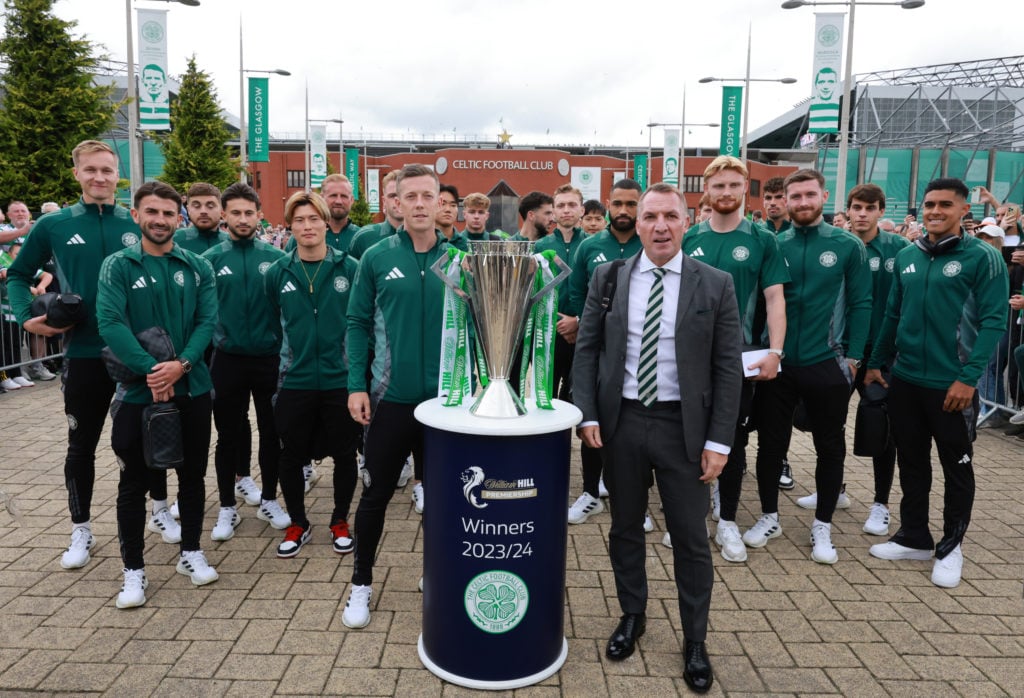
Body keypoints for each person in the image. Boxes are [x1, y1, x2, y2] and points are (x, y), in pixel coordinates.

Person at [572, 182, 742, 693]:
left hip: (682, 429)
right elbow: (587, 350)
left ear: (687, 221)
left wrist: (720, 442)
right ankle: (632, 614)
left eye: (670, 216)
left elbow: (727, 370)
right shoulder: (608, 278)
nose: (660, 226)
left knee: (691, 539)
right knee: (624, 527)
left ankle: (695, 640)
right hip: (621, 423)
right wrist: (587, 412)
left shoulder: (715, 284)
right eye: (650, 217)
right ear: (637, 224)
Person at [866, 178, 1009, 588]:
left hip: (952, 386)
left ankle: (951, 546)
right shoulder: (909, 255)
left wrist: (968, 379)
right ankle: (914, 535)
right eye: (929, 204)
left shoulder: (983, 258)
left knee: (956, 466)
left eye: (946, 204)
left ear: (964, 210)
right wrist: (877, 361)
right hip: (906, 380)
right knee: (911, 461)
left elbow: (994, 321)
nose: (935, 211)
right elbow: (893, 313)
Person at [6, 140, 142, 570]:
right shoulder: (53, 224)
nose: (100, 178)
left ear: (117, 173)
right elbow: (19, 273)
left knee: (141, 441)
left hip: (136, 354)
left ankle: (157, 510)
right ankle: (80, 528)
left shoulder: (134, 219)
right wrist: (28, 318)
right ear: (77, 174)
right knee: (81, 444)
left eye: (107, 170)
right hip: (83, 354)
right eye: (91, 170)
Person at [96, 180, 219, 608]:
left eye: (169, 213)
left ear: (178, 217)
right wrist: (153, 371)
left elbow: (207, 322)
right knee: (134, 482)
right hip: (137, 394)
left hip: (194, 387)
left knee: (191, 475)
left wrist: (181, 365)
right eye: (152, 212)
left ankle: (190, 552)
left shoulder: (196, 266)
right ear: (136, 215)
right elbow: (110, 323)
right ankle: (134, 570)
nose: (161, 220)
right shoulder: (117, 265)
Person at [744, 169, 871, 565]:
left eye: (808, 195)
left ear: (823, 195)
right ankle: (769, 516)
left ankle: (823, 525)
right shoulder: (773, 243)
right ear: (786, 199)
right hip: (778, 363)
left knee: (829, 446)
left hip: (826, 363)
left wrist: (853, 360)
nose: (801, 203)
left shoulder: (847, 245)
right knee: (770, 443)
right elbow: (762, 305)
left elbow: (861, 304)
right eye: (794, 196)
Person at [343, 164, 450, 629]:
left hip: (447, 405)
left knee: (446, 499)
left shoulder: (461, 258)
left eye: (430, 195)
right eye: (412, 196)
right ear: (398, 203)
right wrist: (355, 385)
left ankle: (439, 573)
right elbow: (357, 324)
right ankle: (361, 584)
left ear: (442, 202)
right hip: (391, 400)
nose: (422, 204)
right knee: (376, 496)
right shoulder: (376, 256)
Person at [682, 156, 789, 563]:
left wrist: (776, 352)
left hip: (739, 360)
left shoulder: (762, 239)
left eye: (733, 185)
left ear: (745, 188)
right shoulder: (690, 238)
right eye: (718, 186)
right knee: (687, 435)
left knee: (733, 440)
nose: (726, 192)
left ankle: (727, 518)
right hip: (689, 359)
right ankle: (691, 517)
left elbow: (775, 299)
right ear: (706, 191)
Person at [796, 183, 910, 536]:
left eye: (870, 208)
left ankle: (881, 504)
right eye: (857, 207)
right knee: (829, 427)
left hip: (883, 355)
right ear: (847, 210)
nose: (862, 213)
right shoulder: (838, 246)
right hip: (840, 354)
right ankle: (836, 489)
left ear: (880, 211)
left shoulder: (899, 249)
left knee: (882, 429)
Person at [264, 191, 361, 558]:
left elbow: (361, 323)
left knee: (345, 454)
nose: (307, 226)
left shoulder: (349, 268)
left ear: (325, 223)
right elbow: (275, 321)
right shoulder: (277, 272)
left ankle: (339, 521)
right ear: (290, 225)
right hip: (295, 379)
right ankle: (298, 522)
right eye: (299, 220)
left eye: (314, 219)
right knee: (290, 455)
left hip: (340, 379)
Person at [201, 183, 291, 541]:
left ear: (259, 215)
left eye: (248, 212)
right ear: (224, 215)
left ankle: (270, 497)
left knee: (272, 433)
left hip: (270, 360)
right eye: (235, 212)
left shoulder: (277, 259)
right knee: (228, 435)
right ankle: (227, 507)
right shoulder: (209, 261)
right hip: (227, 360)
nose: (242, 219)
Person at [565, 180, 646, 526]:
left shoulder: (653, 243)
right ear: (608, 206)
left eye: (631, 203)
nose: (624, 211)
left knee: (638, 425)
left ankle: (638, 501)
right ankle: (590, 493)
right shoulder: (589, 247)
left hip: (644, 351)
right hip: (600, 351)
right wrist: (582, 324)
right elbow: (575, 295)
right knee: (593, 418)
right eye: (618, 204)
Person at [535, 184, 586, 401]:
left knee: (575, 397)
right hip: (548, 333)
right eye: (561, 205)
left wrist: (578, 320)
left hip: (583, 334)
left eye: (572, 205)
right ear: (553, 212)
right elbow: (533, 291)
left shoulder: (591, 245)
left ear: (581, 210)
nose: (566, 210)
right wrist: (557, 320)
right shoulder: (539, 247)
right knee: (546, 395)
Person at [285, 174, 360, 253]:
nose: (339, 201)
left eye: (344, 196)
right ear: (322, 198)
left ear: (352, 200)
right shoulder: (302, 237)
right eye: (333, 196)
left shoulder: (362, 238)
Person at [348, 171, 404, 260]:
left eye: (404, 195)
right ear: (384, 201)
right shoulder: (364, 237)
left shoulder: (425, 239)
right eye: (392, 196)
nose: (398, 200)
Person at [174, 183, 229, 254]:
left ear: (221, 210)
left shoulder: (233, 243)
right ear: (188, 210)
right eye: (197, 206)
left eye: (210, 206)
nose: (203, 211)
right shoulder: (173, 241)